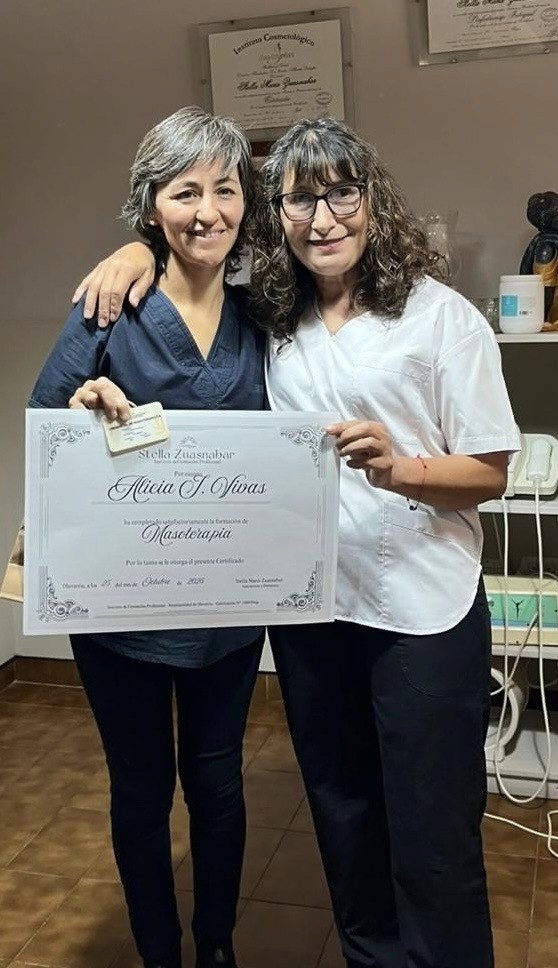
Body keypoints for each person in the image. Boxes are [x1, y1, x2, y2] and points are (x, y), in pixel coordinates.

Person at [70, 116, 519, 968]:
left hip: (422, 611)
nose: (323, 218)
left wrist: (400, 469)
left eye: (341, 194)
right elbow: (186, 265)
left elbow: (491, 471)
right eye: (300, 200)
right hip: (314, 614)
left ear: (373, 201)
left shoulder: (441, 318)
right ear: (276, 216)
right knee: (344, 822)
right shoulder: (273, 318)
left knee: (431, 838)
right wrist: (135, 253)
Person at [28, 106, 268, 968]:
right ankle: (159, 953)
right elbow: (46, 428)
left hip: (226, 612)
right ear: (151, 206)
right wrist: (84, 409)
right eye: (183, 192)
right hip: (120, 615)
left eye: (224, 189)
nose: (208, 210)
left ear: (246, 202)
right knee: (140, 790)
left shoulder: (264, 317)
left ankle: (217, 949)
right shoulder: (108, 310)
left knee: (217, 783)